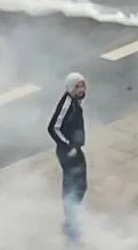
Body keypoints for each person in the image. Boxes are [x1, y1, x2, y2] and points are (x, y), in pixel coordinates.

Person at [47, 73, 88, 244]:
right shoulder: (67, 104)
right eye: (77, 87)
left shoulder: (76, 102)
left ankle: (72, 219)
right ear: (71, 89)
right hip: (68, 152)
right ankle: (71, 224)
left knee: (80, 185)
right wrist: (68, 145)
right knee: (72, 186)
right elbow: (53, 128)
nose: (81, 89)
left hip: (74, 149)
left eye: (82, 85)